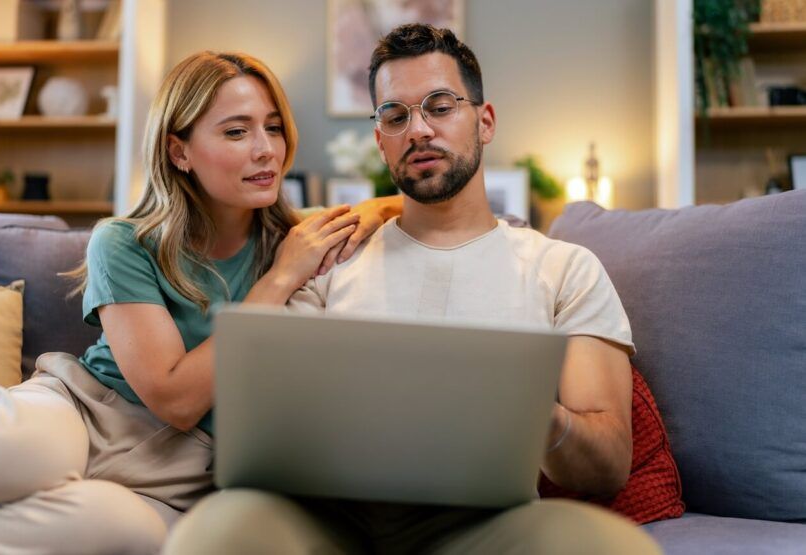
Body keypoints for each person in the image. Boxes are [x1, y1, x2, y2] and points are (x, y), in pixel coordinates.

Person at [165, 25, 662, 554]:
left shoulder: (566, 269)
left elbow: (608, 464)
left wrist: (535, 412)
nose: (418, 130)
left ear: (484, 121)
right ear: (380, 141)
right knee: (215, 533)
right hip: (327, 521)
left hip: (484, 528)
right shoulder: (330, 257)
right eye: (395, 116)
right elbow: (268, 421)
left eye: (441, 106)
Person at [0, 51, 401, 555]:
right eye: (236, 132)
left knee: (127, 536)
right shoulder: (124, 242)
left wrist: (382, 204)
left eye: (273, 128)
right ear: (179, 151)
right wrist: (277, 282)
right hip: (86, 413)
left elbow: (404, 204)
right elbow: (176, 398)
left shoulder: (299, 237)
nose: (265, 150)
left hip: (184, 475)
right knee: (11, 452)